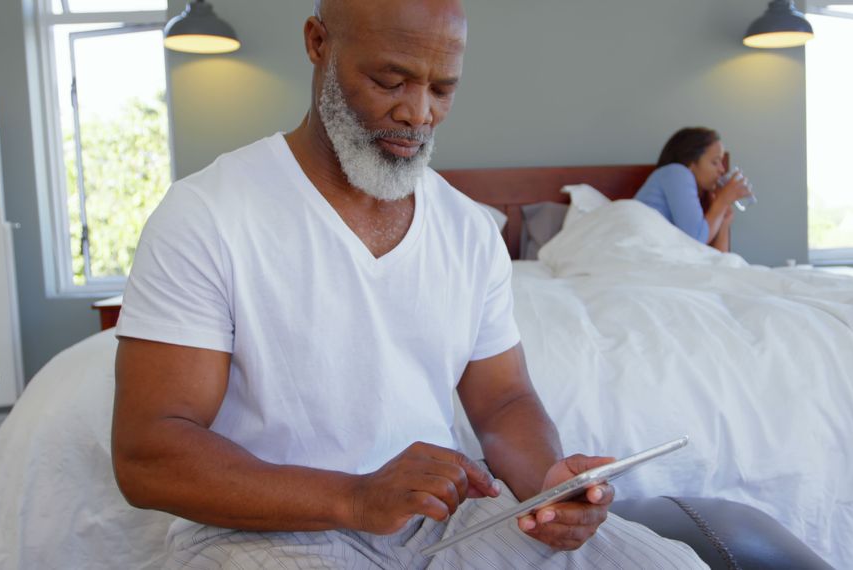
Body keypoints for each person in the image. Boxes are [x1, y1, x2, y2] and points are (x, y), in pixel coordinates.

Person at [110, 0, 707, 568]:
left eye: (442, 89)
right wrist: (356, 498)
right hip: (263, 527)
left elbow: (502, 401)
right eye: (390, 82)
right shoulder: (207, 215)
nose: (418, 113)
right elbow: (148, 453)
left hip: (440, 521)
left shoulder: (468, 228)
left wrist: (548, 484)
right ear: (319, 43)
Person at [634, 127, 752, 253]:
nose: (722, 170)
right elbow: (695, 240)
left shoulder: (697, 197)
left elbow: (720, 260)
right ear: (691, 162)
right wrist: (722, 201)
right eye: (715, 162)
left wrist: (724, 221)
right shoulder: (676, 172)